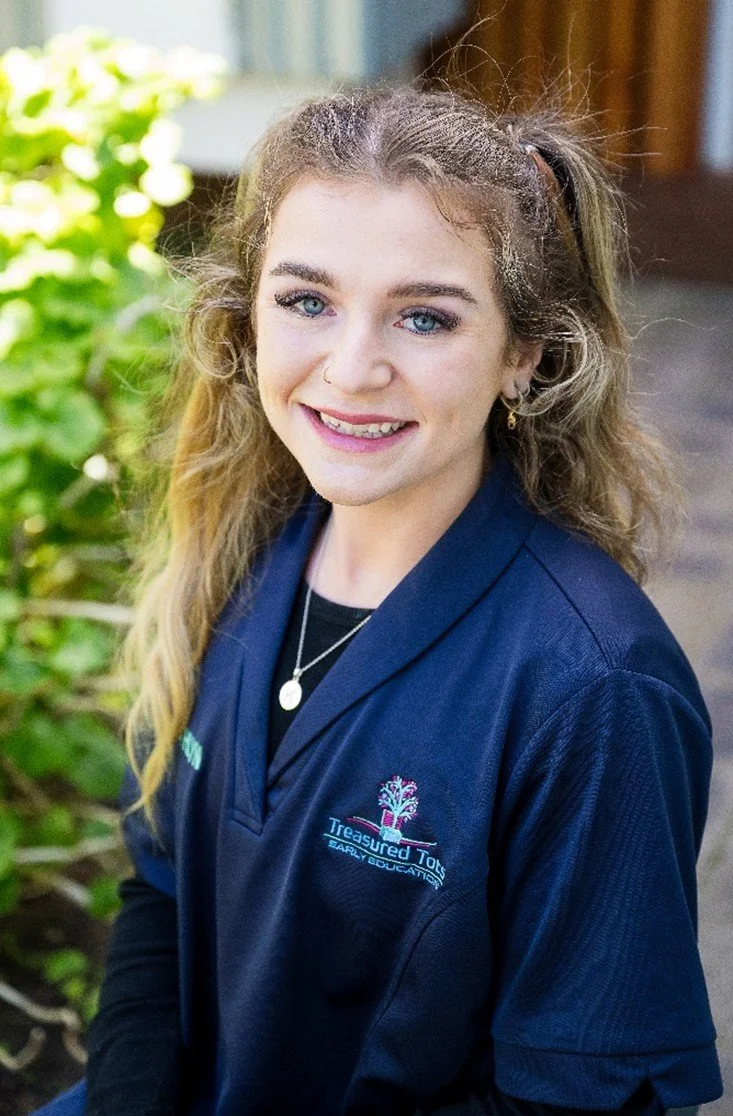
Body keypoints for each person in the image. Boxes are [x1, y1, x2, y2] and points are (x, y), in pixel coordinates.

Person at [36, 85, 722, 1115]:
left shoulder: (594, 692)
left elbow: (582, 1099)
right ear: (247, 317)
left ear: (524, 355)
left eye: (424, 316)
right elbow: (162, 892)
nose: (352, 370)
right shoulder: (242, 551)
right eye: (306, 301)